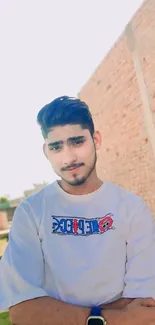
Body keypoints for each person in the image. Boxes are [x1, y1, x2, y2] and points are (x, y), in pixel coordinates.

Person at [1, 96, 155, 325]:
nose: (69, 157)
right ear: (46, 152)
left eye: (77, 142)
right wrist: (111, 317)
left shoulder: (132, 208)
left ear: (96, 139)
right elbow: (23, 311)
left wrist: (55, 311)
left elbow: (144, 310)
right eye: (56, 147)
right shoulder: (30, 212)